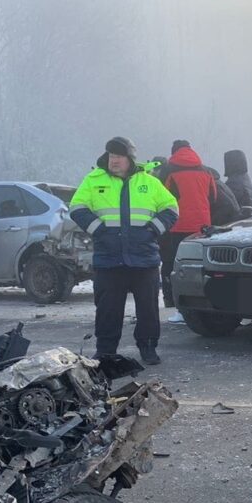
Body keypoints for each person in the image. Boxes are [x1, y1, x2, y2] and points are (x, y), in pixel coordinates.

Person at [69, 137, 177, 366]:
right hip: (109, 258)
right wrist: (99, 230)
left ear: (130, 159)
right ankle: (106, 352)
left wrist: (152, 231)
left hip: (144, 257)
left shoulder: (148, 181)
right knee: (108, 309)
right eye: (111, 156)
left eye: (119, 156)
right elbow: (77, 207)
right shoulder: (93, 180)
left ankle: (148, 347)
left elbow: (171, 208)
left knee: (148, 309)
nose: (114, 161)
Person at [156, 140, 222, 322]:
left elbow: (162, 197)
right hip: (202, 226)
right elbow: (214, 197)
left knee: (174, 265)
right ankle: (204, 304)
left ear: (174, 151)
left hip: (176, 225)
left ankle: (176, 308)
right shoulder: (205, 170)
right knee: (201, 266)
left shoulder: (169, 170)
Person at [224, 149, 252, 215]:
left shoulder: (234, 181)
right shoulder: (244, 177)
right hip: (246, 217)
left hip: (239, 218)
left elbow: (228, 202)